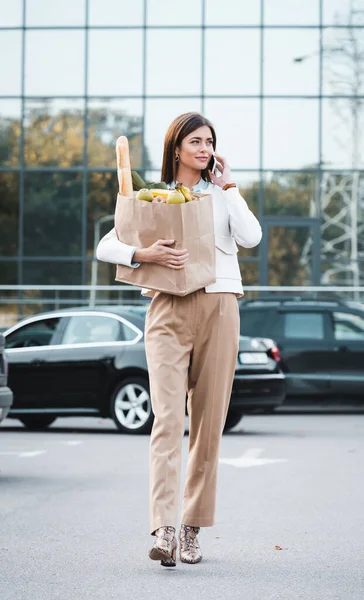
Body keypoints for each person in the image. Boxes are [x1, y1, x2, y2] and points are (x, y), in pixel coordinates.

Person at [96, 112, 262, 567]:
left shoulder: (222, 196)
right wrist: (140, 253)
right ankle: (163, 528)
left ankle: (191, 529)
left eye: (210, 141)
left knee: (208, 426)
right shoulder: (156, 197)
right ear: (176, 148)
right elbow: (106, 244)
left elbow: (251, 237)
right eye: (196, 141)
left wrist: (229, 188)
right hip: (166, 309)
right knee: (167, 420)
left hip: (220, 306)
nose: (205, 149)